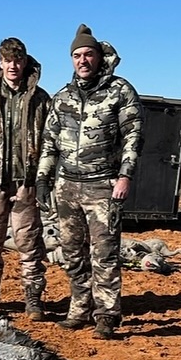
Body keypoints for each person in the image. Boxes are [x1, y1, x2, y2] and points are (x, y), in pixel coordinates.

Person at [36, 24, 144, 339]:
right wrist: (43, 178)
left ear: (99, 57)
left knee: (105, 253)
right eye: (77, 55)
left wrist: (125, 175)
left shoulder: (120, 91)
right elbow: (49, 142)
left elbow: (134, 136)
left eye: (88, 54)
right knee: (71, 252)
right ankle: (79, 307)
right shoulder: (63, 97)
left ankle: (107, 315)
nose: (83, 60)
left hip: (103, 186)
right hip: (67, 186)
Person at [0, 37, 51, 320]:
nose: (12, 66)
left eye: (17, 60)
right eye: (7, 60)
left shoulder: (41, 100)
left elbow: (51, 143)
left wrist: (43, 180)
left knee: (29, 243)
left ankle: (33, 298)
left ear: (25, 62)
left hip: (26, 182)